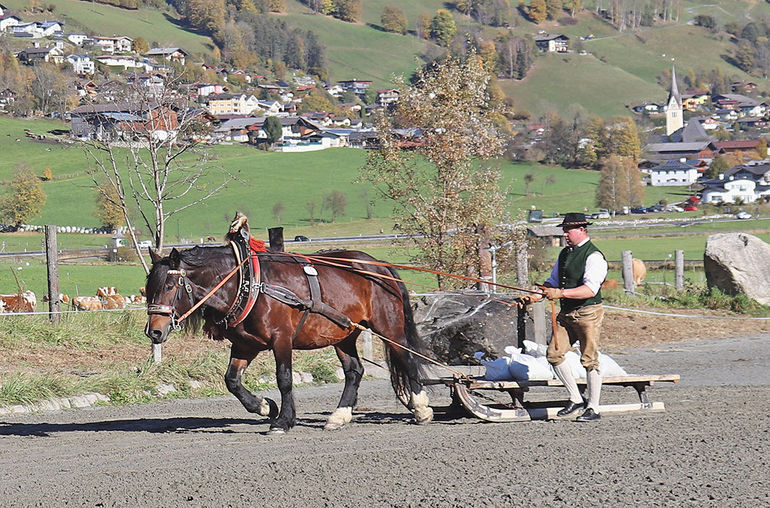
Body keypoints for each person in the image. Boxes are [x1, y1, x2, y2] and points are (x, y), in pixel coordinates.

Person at [520, 212, 608, 422]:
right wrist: (537, 295)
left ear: (581, 229)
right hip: (567, 313)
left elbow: (589, 290)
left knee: (589, 360)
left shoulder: (594, 256)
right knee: (554, 355)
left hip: (588, 313)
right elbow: (552, 282)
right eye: (564, 230)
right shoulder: (564, 254)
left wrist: (559, 293)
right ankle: (576, 399)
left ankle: (593, 408)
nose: (565, 234)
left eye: (568, 230)